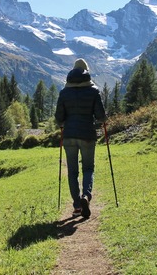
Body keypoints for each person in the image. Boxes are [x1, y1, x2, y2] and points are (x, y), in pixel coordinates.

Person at [55, 58, 107, 218]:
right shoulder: (94, 91)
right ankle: (86, 196)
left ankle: (77, 206)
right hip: (87, 135)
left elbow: (58, 118)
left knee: (72, 171)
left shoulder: (64, 93)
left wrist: (64, 122)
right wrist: (102, 121)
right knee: (88, 168)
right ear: (87, 72)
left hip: (69, 135)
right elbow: (101, 117)